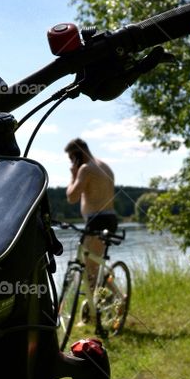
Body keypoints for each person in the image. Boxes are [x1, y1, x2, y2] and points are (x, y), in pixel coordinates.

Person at [65, 138, 117, 322]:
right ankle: (109, 299)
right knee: (95, 264)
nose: (72, 163)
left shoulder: (85, 169)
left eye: (72, 158)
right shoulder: (104, 165)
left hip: (96, 221)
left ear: (78, 154)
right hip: (110, 218)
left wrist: (73, 174)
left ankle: (98, 309)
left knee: (89, 269)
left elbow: (72, 197)